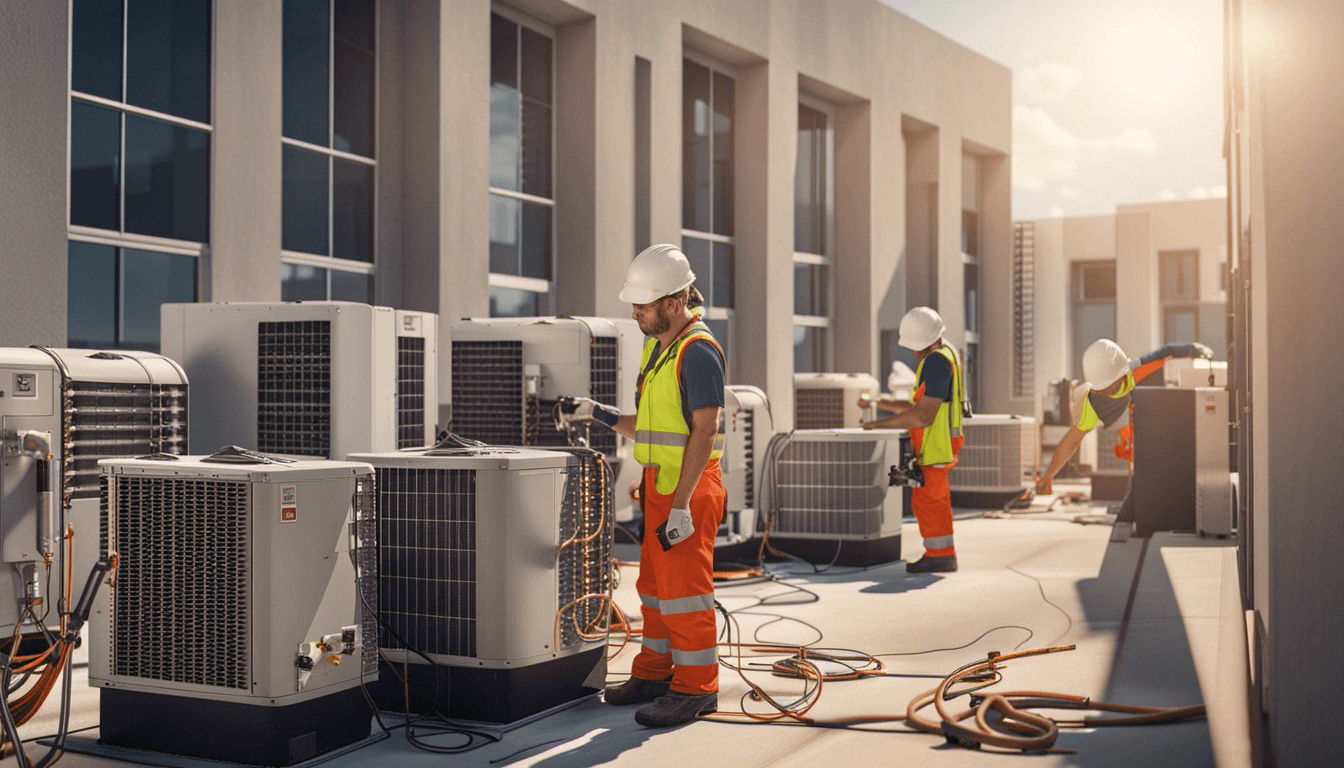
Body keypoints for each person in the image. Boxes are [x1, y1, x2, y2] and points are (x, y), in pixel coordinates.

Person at [561, 244, 726, 728]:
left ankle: (696, 689)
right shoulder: (661, 348)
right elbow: (653, 430)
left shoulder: (697, 351)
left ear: (674, 302)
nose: (634, 312)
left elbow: (705, 430)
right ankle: (654, 673)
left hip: (688, 493)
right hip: (662, 488)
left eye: (644, 304)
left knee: (686, 593)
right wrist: (599, 413)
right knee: (654, 590)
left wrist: (680, 506)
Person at [1036, 339, 1213, 527]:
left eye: (1108, 387)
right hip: (1138, 455)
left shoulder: (1138, 370)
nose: (1103, 392)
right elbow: (1072, 440)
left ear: (1121, 374)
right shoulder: (1093, 403)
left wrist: (1193, 349)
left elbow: (1167, 351)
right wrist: (1048, 476)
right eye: (1099, 389)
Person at [860, 307, 965, 574]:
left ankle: (940, 556)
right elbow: (916, 406)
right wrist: (878, 403)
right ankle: (941, 553)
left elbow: (923, 416)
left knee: (929, 501)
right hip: (941, 442)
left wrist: (875, 425)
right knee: (934, 500)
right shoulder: (946, 354)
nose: (911, 351)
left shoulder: (935, 363)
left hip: (936, 444)